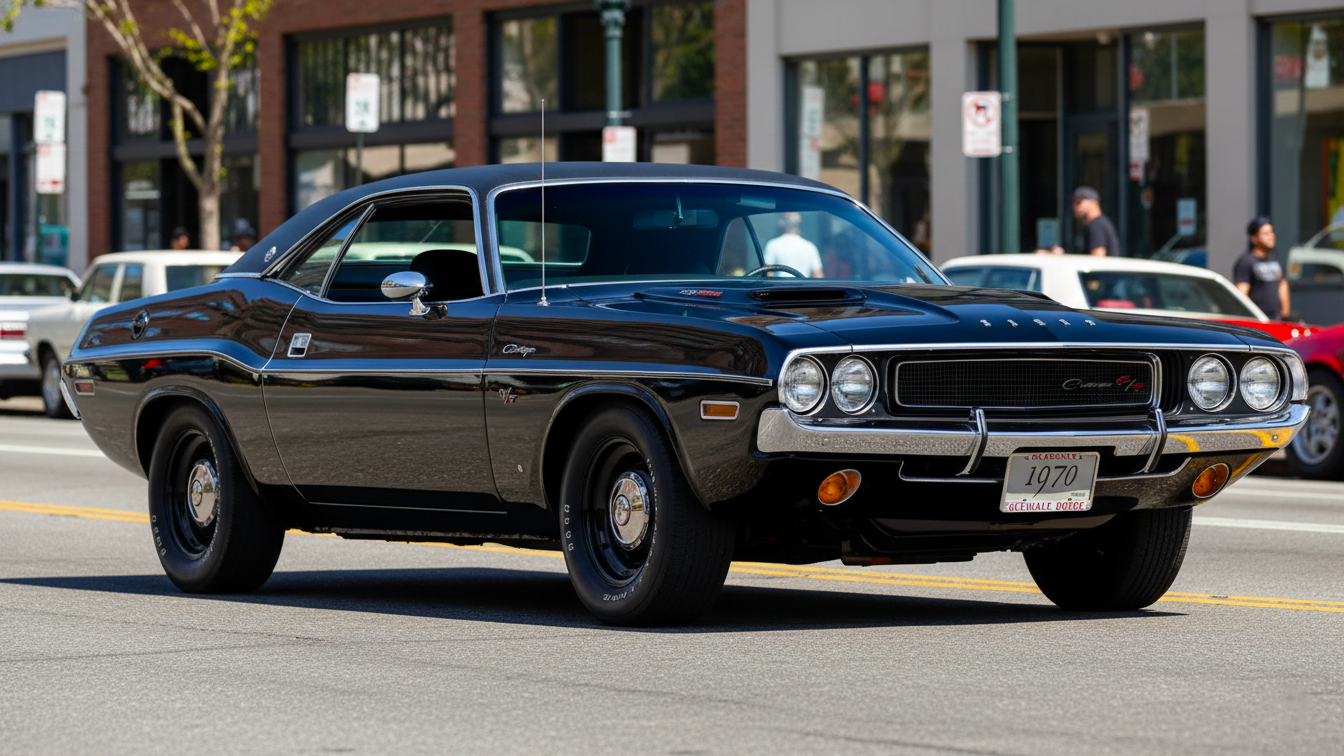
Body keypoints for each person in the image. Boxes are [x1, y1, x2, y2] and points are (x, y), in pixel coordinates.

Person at [1233, 216, 1291, 320]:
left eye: (1272, 232)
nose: (1271, 236)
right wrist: (1255, 316)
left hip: (1276, 319)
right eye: (1266, 234)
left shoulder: (1275, 258)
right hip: (1257, 321)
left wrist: (1285, 311)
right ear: (1254, 238)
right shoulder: (1246, 262)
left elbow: (1282, 284)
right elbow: (1241, 295)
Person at [1050, 186, 1120, 256]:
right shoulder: (1094, 224)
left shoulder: (1097, 225)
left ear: (1093, 202)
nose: (1074, 206)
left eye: (1078, 202)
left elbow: (1098, 257)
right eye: (1073, 202)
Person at [763, 212, 824, 277]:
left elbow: (768, 273)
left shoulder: (773, 245)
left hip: (780, 287)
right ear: (800, 225)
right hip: (803, 286)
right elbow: (818, 276)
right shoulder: (810, 247)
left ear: (781, 225)